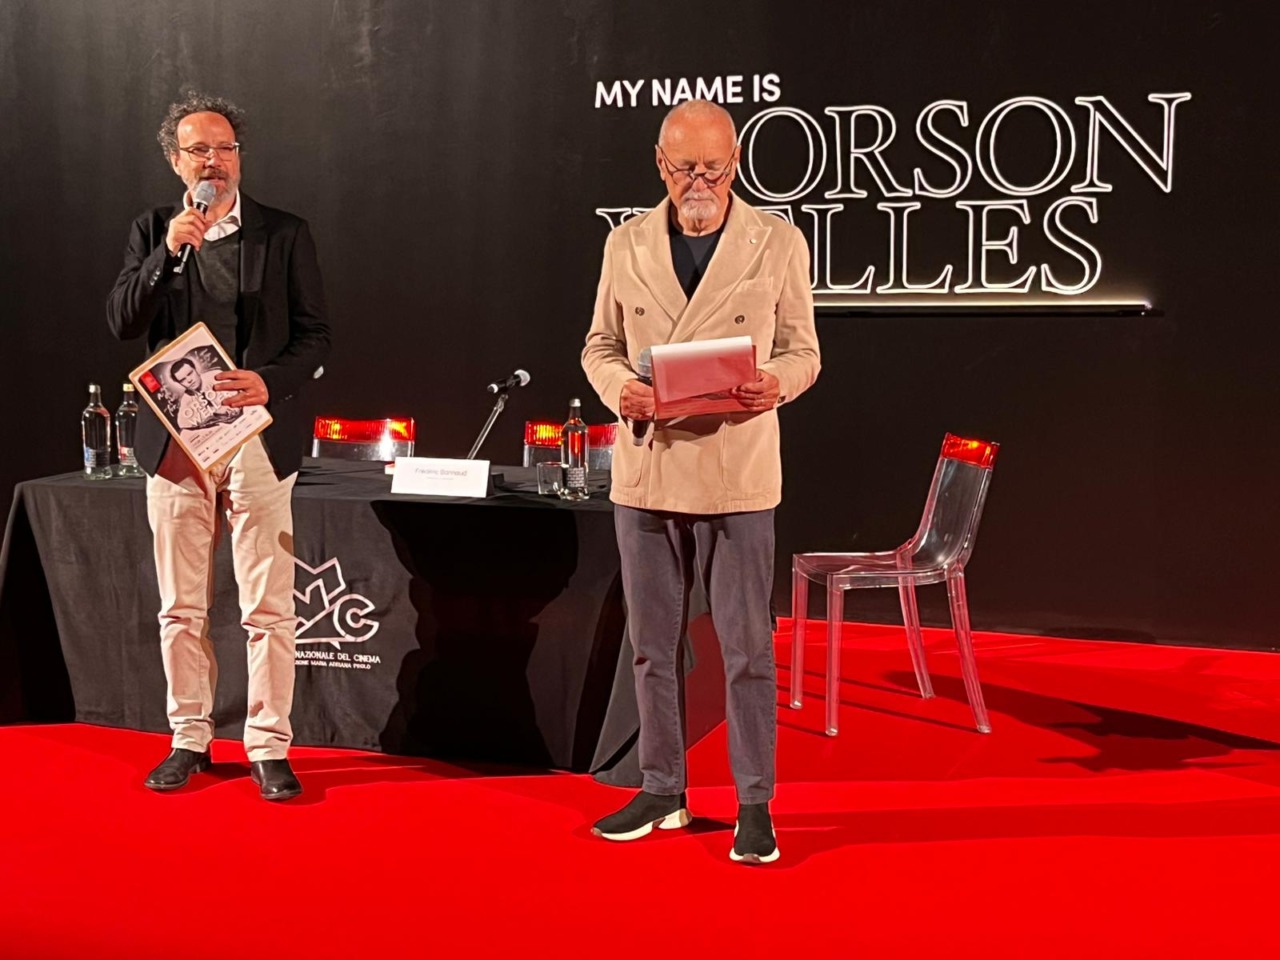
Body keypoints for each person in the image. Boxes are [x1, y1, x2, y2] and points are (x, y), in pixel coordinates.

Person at [582, 99, 821, 863]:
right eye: (686, 167)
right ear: (660, 166)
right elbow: (598, 345)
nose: (700, 182)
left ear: (737, 163)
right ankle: (662, 788)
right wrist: (620, 389)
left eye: (714, 168)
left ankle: (755, 802)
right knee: (651, 646)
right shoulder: (626, 242)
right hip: (648, 471)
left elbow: (804, 350)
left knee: (747, 648)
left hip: (735, 471)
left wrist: (777, 384)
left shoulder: (777, 241)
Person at [106, 91, 331, 800]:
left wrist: (269, 382)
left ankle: (268, 745)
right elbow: (122, 321)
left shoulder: (285, 232)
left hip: (257, 438)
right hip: (176, 441)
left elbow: (316, 336)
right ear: (176, 162)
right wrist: (167, 254)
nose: (214, 161)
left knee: (268, 606)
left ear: (240, 156)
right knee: (181, 605)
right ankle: (189, 738)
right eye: (199, 150)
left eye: (225, 148)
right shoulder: (153, 231)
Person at [169, 356, 242, 432]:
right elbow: (182, 423)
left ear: (196, 369)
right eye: (182, 380)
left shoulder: (215, 375)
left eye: (190, 373)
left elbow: (236, 391)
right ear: (179, 384)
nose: (189, 380)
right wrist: (211, 415)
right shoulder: (186, 398)